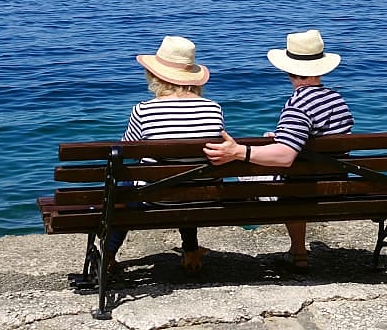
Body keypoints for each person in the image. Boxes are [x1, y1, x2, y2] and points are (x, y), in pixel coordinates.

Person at [203, 29, 353, 273]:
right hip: (335, 183)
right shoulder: (337, 99)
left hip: (302, 189)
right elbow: (320, 140)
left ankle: (263, 232)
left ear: (288, 69)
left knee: (248, 171)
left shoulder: (298, 104)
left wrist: (239, 152)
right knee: (293, 172)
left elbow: (284, 156)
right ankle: (298, 252)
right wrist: (286, 138)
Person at [106, 35, 224, 274]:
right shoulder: (213, 108)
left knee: (123, 188)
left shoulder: (144, 110)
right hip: (205, 197)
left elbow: (126, 148)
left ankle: (108, 256)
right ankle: (190, 251)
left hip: (156, 198)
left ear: (156, 75)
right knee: (188, 173)